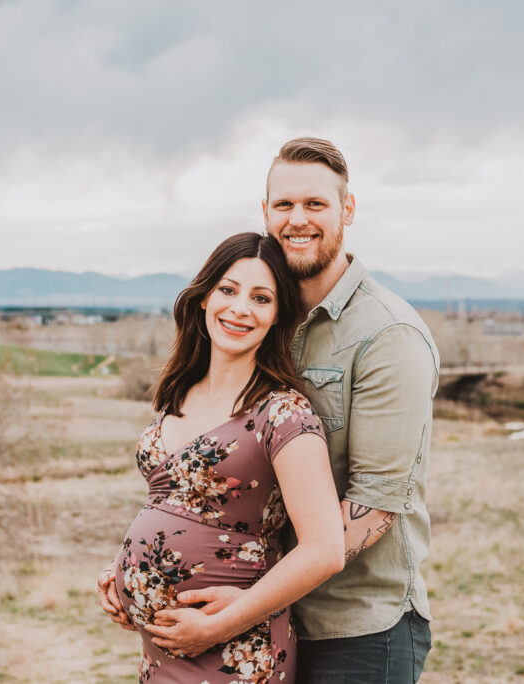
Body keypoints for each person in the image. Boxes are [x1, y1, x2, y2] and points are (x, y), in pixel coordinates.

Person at [161, 138, 440, 683]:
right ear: (265, 213)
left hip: (357, 631)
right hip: (264, 624)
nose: (298, 219)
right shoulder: (264, 318)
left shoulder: (389, 336)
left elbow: (376, 506)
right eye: (284, 205)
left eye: (316, 204)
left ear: (348, 210)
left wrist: (244, 602)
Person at [96, 232, 345, 683]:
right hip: (162, 654)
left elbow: (325, 551)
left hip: (237, 650)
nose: (240, 308)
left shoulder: (284, 413)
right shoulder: (179, 393)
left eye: (261, 297)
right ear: (204, 298)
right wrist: (120, 574)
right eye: (227, 290)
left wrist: (218, 626)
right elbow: (172, 506)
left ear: (277, 317)